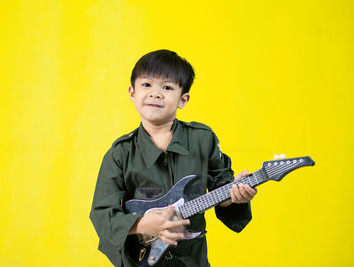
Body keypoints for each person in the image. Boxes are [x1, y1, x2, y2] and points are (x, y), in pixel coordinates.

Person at [89, 49, 257, 267]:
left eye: (167, 87)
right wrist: (142, 224)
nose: (155, 93)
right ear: (132, 93)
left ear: (183, 99)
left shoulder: (202, 139)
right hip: (141, 259)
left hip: (192, 259)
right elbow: (102, 213)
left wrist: (235, 195)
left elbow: (221, 188)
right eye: (146, 85)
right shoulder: (120, 153)